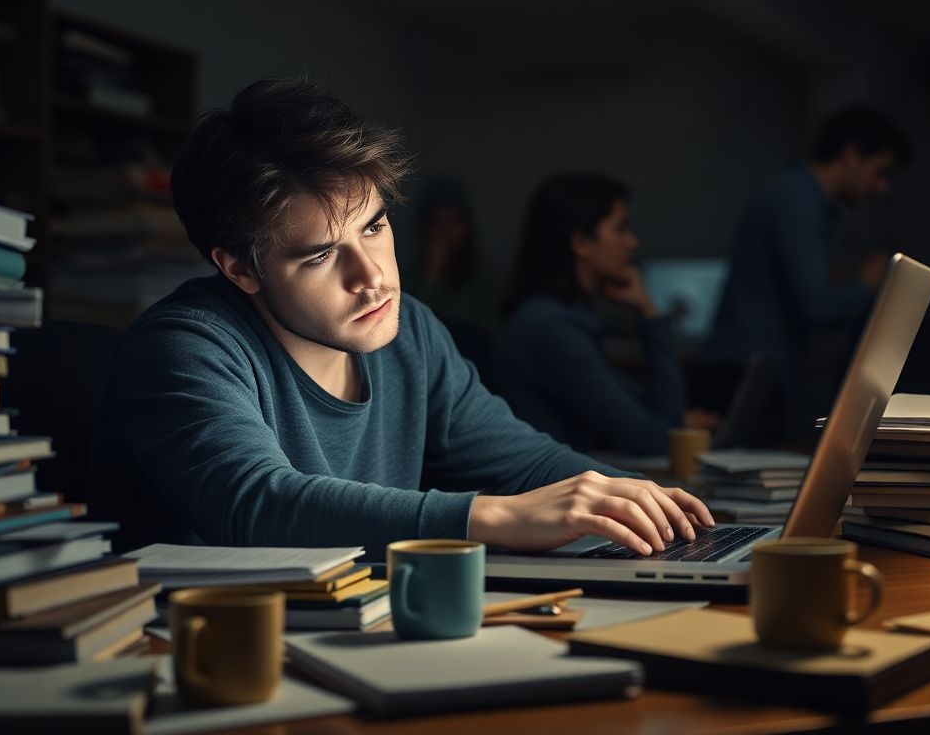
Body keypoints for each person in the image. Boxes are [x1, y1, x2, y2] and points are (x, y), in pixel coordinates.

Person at [91, 78, 713, 559]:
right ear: (240, 270)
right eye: (320, 256)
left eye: (375, 226)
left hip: (372, 626)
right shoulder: (184, 347)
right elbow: (257, 505)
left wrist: (663, 510)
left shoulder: (406, 327)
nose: (374, 277)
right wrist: (493, 517)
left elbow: (524, 462)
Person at [700, 105, 910, 436]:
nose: (882, 187)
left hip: (752, 366)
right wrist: (869, 284)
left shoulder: (801, 199)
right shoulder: (797, 200)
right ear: (851, 155)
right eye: (879, 171)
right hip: (744, 369)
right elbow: (817, 307)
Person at [495, 174, 712, 457]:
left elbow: (654, 420)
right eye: (620, 229)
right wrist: (649, 313)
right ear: (582, 242)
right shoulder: (550, 330)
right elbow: (657, 441)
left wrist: (674, 424)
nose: (632, 242)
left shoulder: (561, 319)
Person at [403, 178, 497, 374]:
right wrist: (432, 272)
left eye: (452, 220)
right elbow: (411, 332)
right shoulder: (407, 276)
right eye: (436, 222)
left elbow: (487, 335)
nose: (444, 230)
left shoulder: (484, 277)